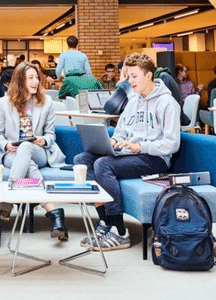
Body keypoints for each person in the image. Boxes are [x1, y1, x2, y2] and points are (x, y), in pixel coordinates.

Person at [74, 53, 180, 251]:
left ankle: (119, 230)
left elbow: (171, 143)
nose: (129, 81)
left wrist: (141, 147)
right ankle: (106, 222)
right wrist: (113, 141)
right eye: (127, 76)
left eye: (134, 76)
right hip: (131, 154)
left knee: (103, 165)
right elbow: (121, 130)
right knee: (82, 160)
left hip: (154, 158)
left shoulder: (167, 103)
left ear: (148, 76)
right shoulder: (133, 101)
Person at [0, 62, 68, 240]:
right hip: (11, 154)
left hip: (38, 150)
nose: (35, 82)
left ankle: (8, 201)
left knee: (26, 146)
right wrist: (6, 145)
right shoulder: (4, 103)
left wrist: (44, 140)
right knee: (29, 166)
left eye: (37, 77)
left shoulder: (46, 102)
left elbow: (51, 135)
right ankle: (55, 213)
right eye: (30, 78)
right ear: (20, 81)